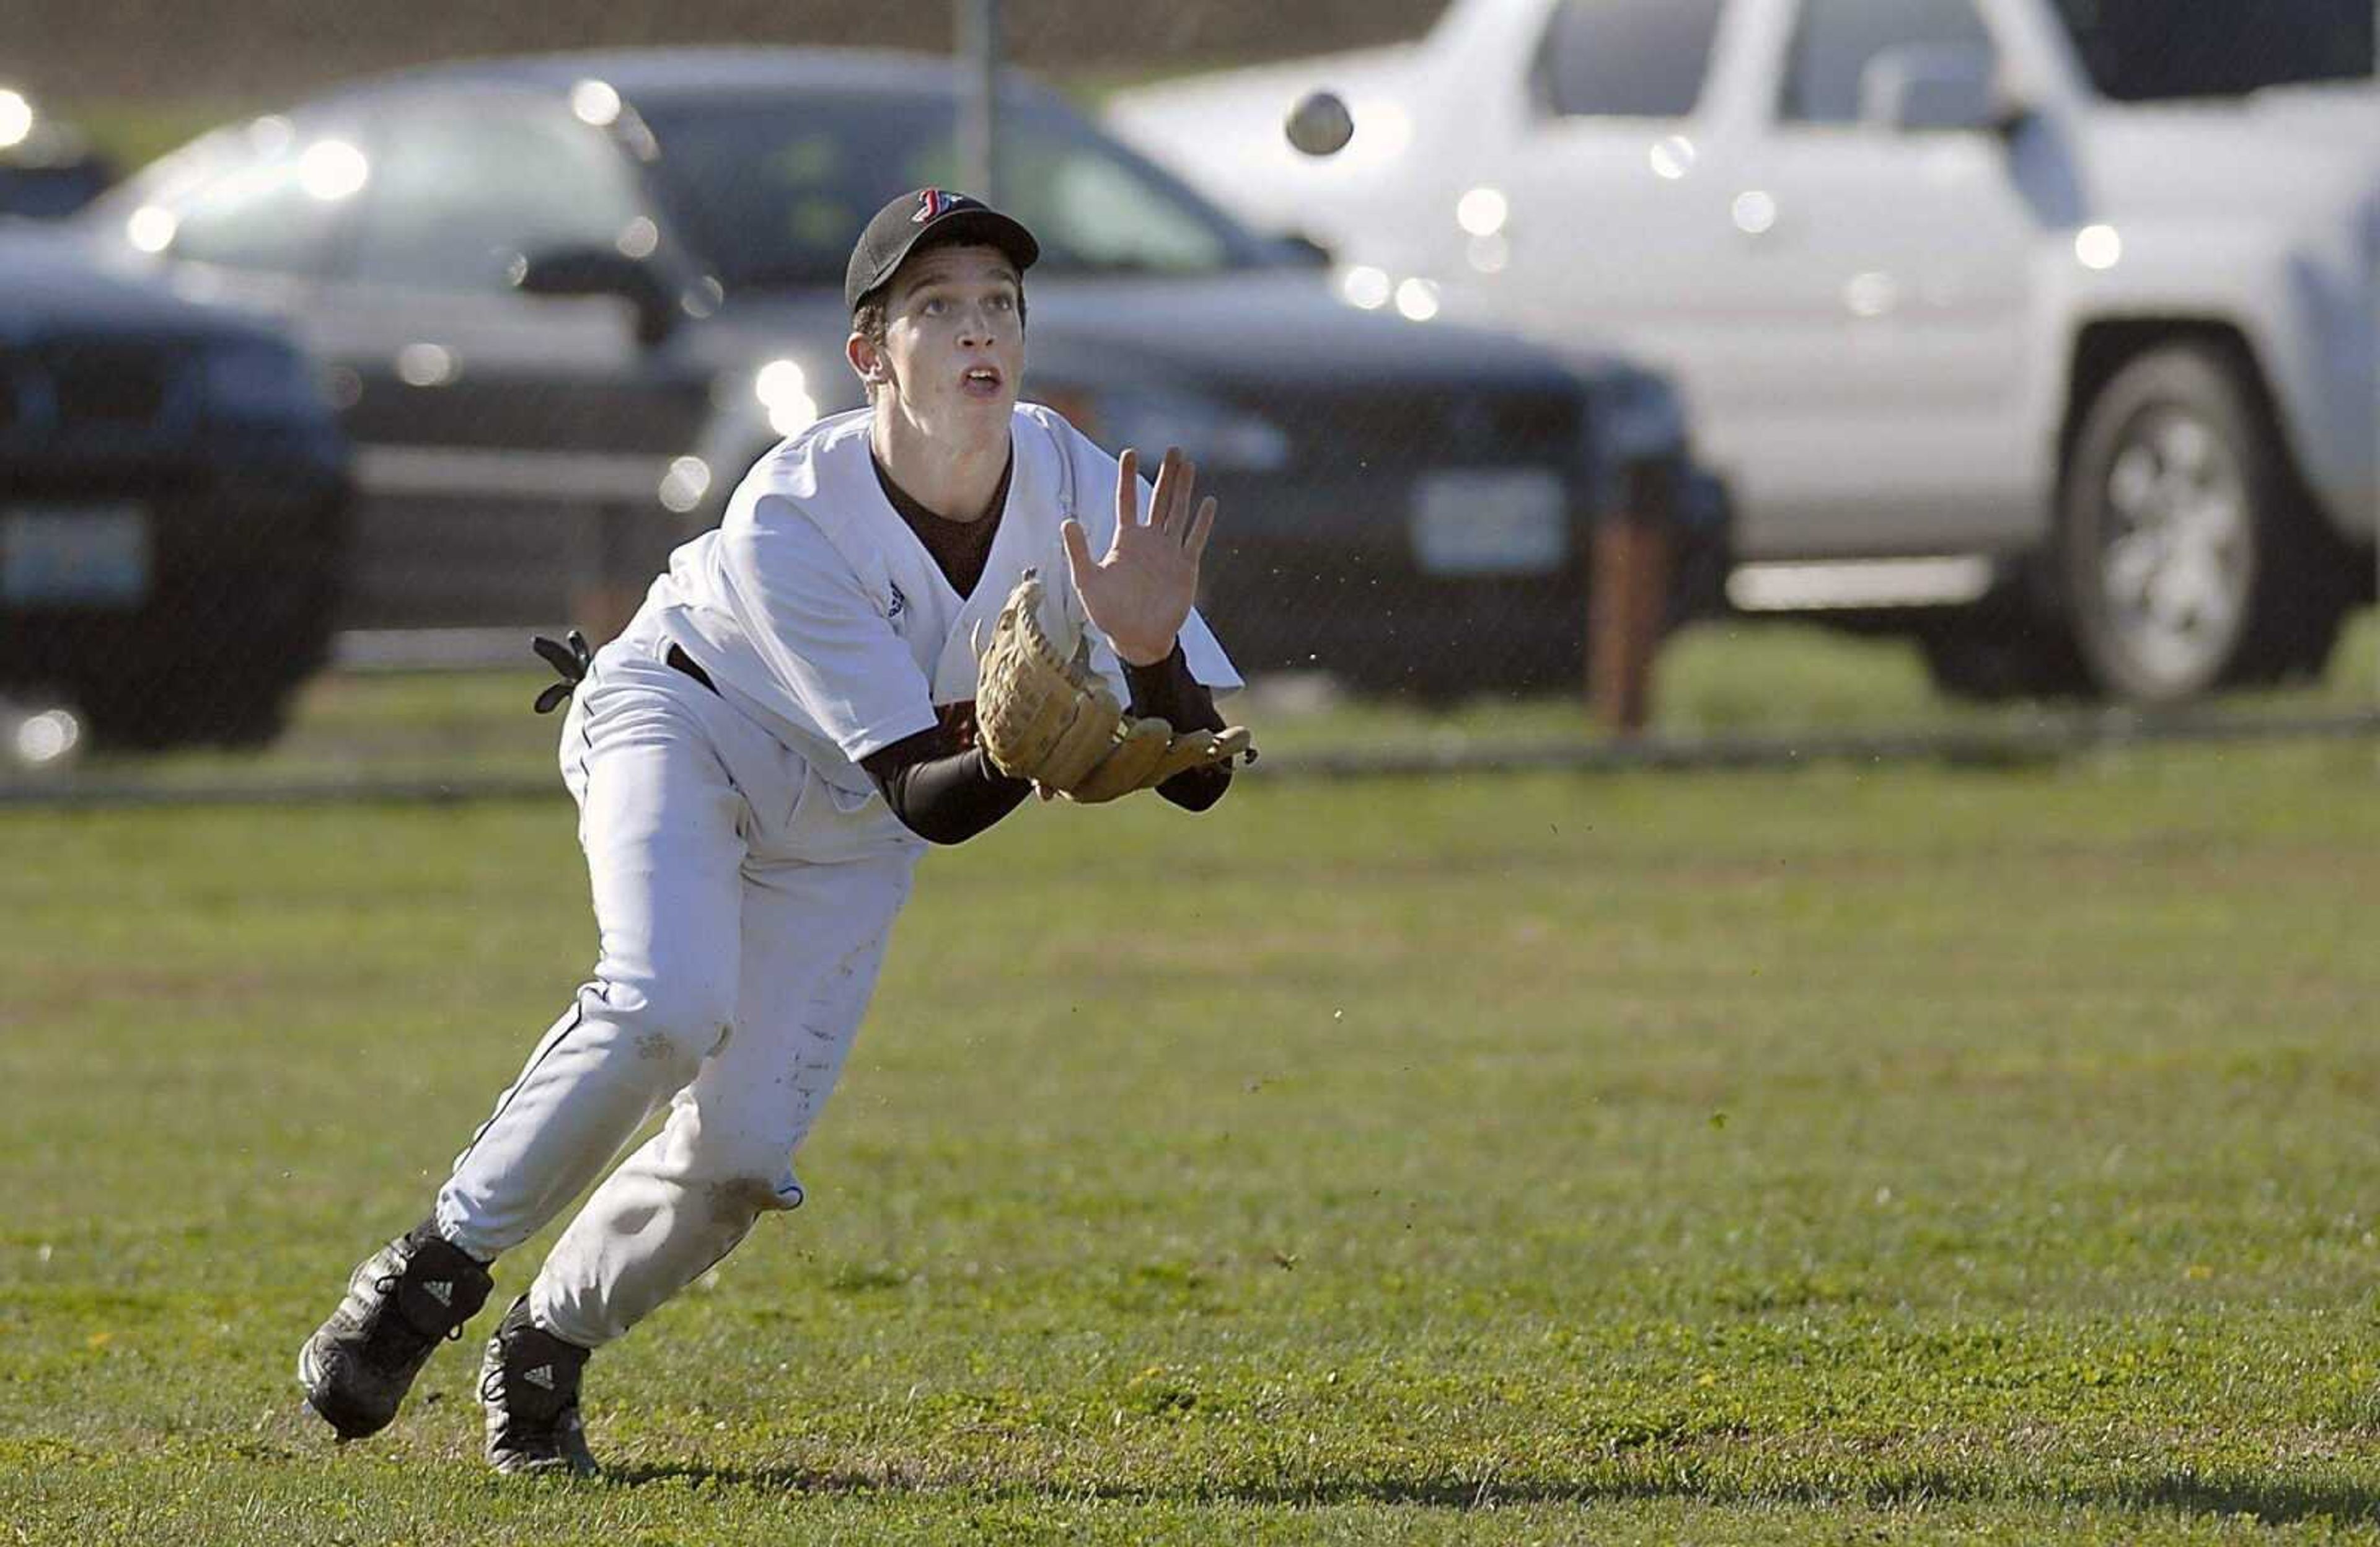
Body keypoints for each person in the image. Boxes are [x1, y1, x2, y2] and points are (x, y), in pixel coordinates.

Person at [296, 189, 1246, 1476]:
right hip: (688, 727)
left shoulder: (1080, 483)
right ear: (871, 359)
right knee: (666, 1000)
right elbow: (932, 795)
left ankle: (545, 1348)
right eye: (936, 309)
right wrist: (1053, 741)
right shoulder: (799, 507)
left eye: (998, 307)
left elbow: (1199, 780)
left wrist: (1150, 664)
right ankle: (433, 1270)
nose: (977, 333)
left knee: (742, 1156)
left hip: (847, 825)